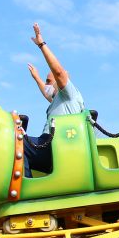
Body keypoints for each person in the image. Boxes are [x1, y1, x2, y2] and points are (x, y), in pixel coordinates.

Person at [22, 23, 86, 177]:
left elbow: (58, 72)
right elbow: (46, 92)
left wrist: (41, 45)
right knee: (19, 144)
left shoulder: (69, 93)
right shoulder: (59, 101)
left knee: (16, 143)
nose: (47, 85)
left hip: (56, 145)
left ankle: (24, 189)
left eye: (49, 81)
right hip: (51, 146)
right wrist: (37, 77)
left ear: (60, 81)